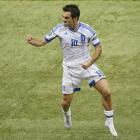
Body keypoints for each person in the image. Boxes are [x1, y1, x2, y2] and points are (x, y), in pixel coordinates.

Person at [26, 4, 117, 137]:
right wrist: (31, 40)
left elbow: (98, 48)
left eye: (66, 18)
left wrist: (90, 62)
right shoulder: (59, 29)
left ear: (75, 18)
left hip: (88, 66)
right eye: (63, 17)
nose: (63, 20)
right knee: (66, 102)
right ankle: (67, 115)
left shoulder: (88, 30)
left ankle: (109, 121)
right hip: (69, 70)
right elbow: (42, 42)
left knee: (107, 92)